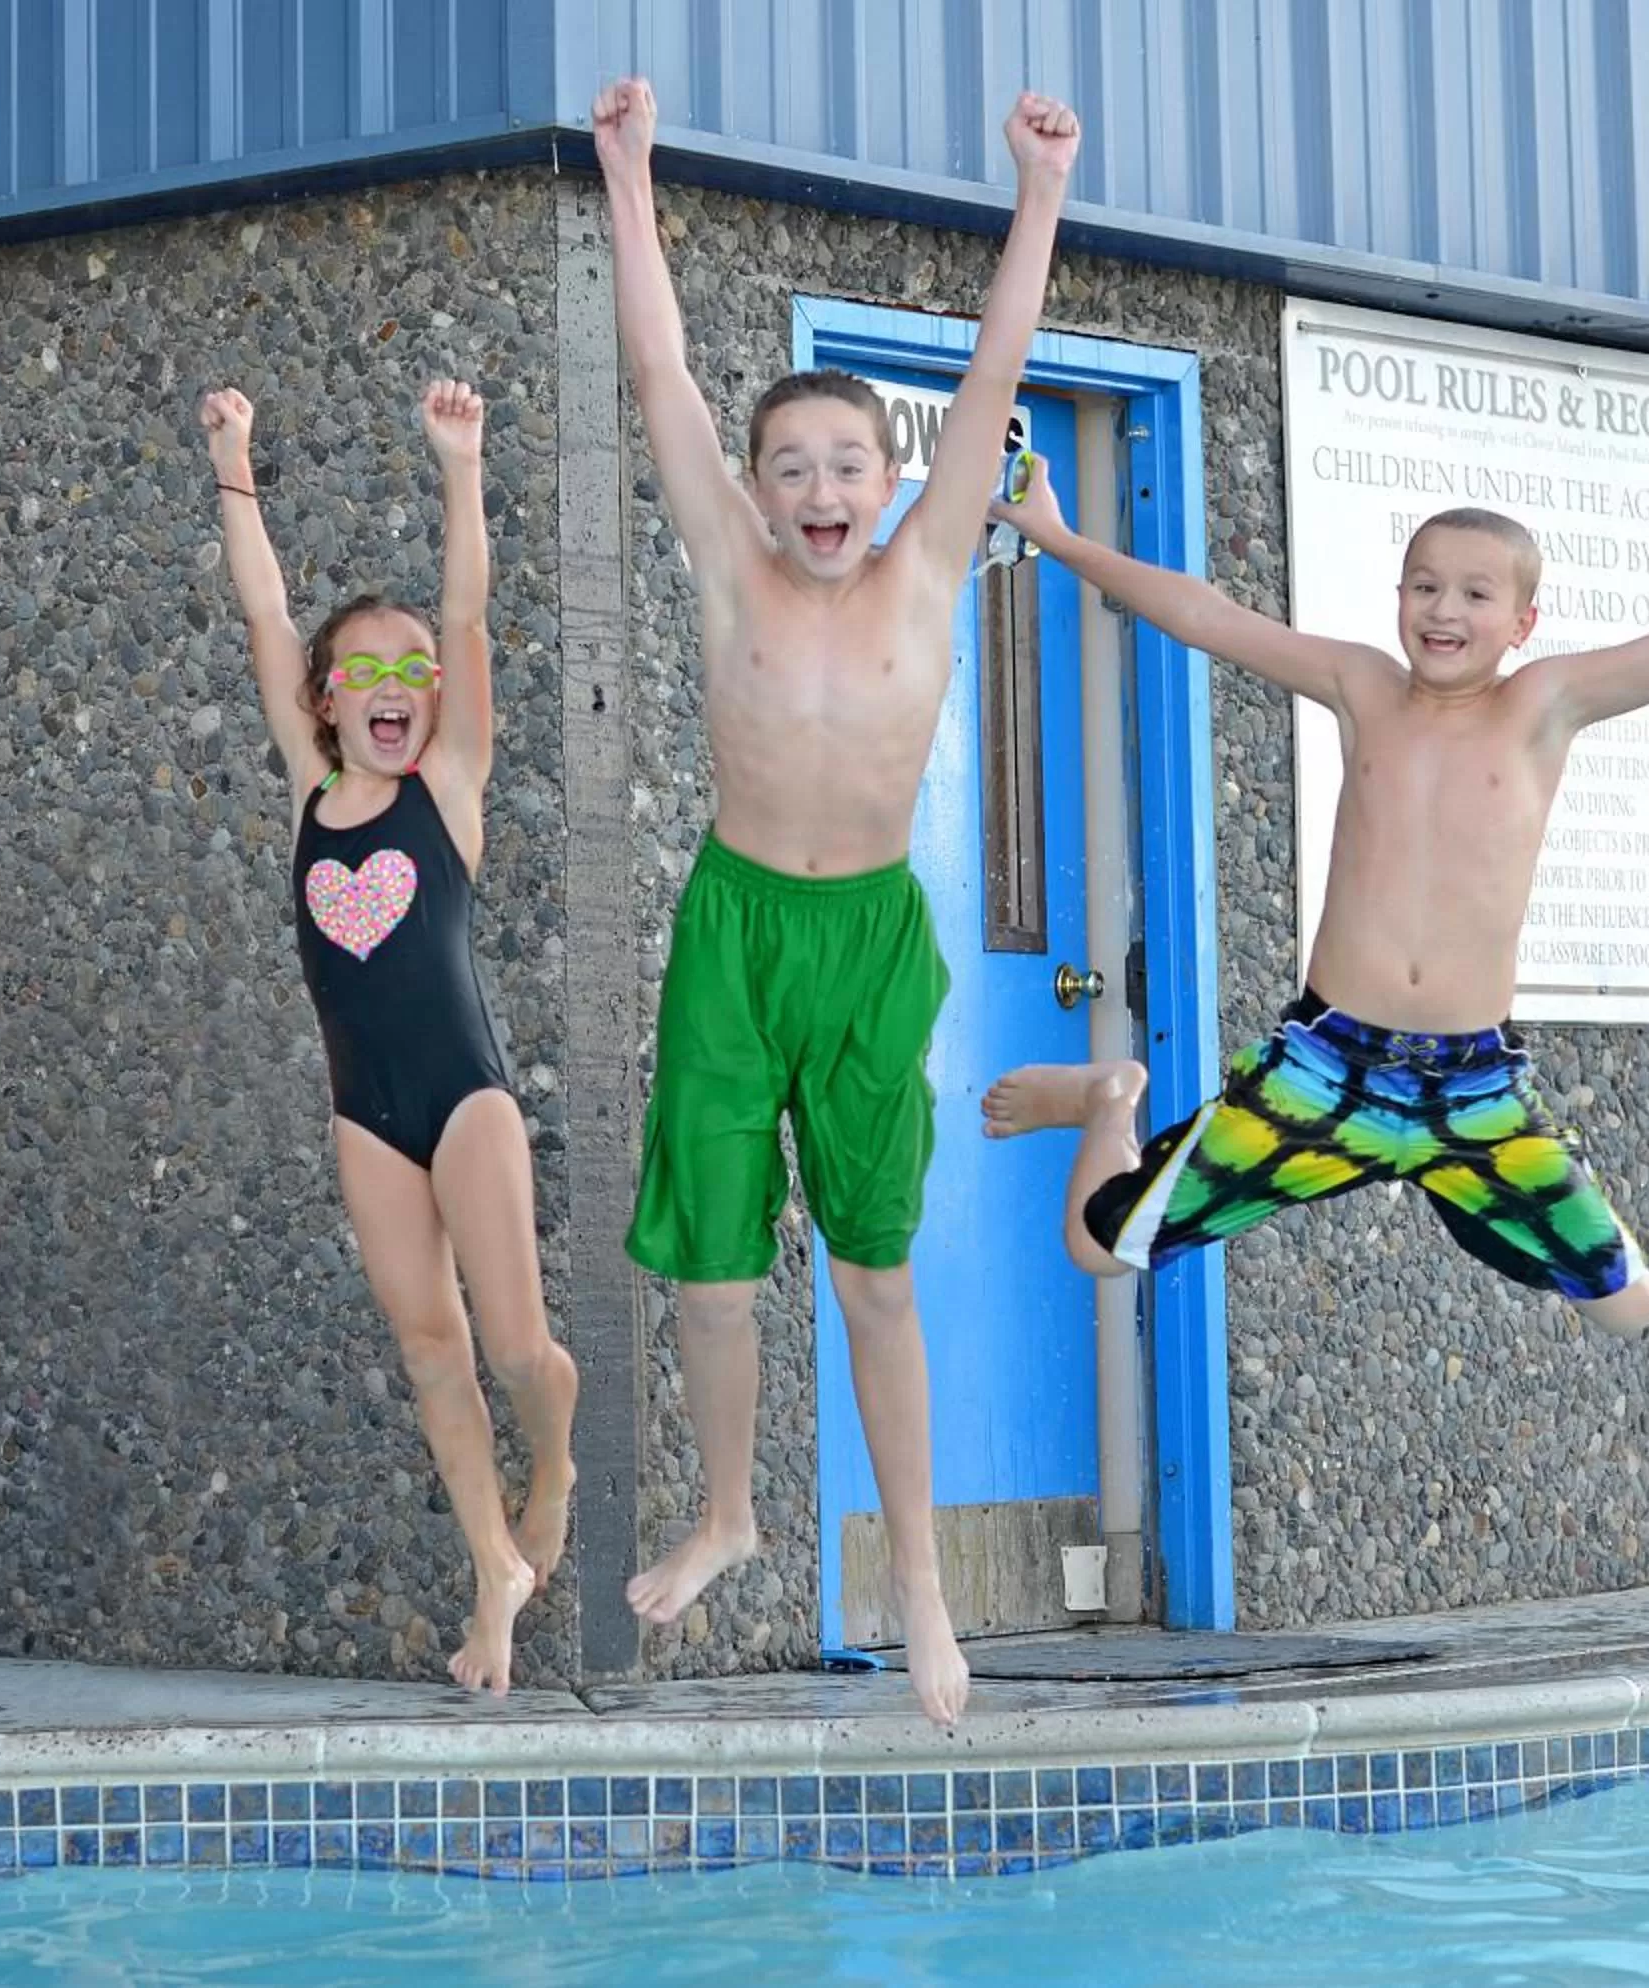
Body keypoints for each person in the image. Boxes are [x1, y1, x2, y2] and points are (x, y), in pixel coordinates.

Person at [982, 449, 1649, 1332]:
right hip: (1326, 1064)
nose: (1444, 608)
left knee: (1632, 1308)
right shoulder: (1361, 688)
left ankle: (1464, 1190)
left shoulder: (1544, 704)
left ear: (1523, 620)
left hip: (1472, 1094)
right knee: (1099, 1246)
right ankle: (1110, 1093)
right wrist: (1064, 541)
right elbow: (1205, 616)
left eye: (1476, 593)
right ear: (1396, 600)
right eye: (1423, 584)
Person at [593, 73, 1082, 1730]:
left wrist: (1036, 198)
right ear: (750, 483)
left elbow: (999, 362)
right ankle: (731, 1505)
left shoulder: (930, 569)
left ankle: (926, 1593)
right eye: (788, 462)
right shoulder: (727, 562)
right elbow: (655, 365)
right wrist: (629, 170)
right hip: (736, 931)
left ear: (892, 479)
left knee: (874, 1274)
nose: (818, 487)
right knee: (712, 1270)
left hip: (870, 941)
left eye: (846, 463)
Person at [198, 378, 579, 1696]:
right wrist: (237, 469)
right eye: (364, 668)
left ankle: (561, 1461)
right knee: (430, 1348)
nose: (395, 685)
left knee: (520, 1351)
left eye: (411, 672)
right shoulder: (313, 794)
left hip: (467, 1098)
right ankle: (494, 1577)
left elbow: (467, 609)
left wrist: (461, 465)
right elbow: (260, 609)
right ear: (322, 699)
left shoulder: (450, 790)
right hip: (366, 1109)